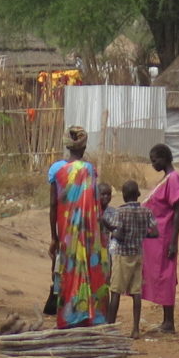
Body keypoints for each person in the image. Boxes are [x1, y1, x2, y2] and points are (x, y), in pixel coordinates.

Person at [48, 129, 110, 327]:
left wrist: (54, 236)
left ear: (67, 145)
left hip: (66, 232)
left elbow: (53, 205)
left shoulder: (56, 169)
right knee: (90, 267)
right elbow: (94, 205)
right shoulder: (90, 169)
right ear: (84, 146)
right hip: (88, 233)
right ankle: (91, 315)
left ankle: (69, 316)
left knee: (69, 268)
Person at [103, 179, 160, 334]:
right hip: (137, 254)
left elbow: (118, 233)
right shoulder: (146, 211)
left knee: (115, 291)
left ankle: (110, 328)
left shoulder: (120, 212)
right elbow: (155, 232)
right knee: (136, 292)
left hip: (122, 255)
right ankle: (135, 329)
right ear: (138, 194)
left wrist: (106, 225)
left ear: (123, 195)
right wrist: (140, 234)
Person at [142, 144, 179, 335]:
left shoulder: (174, 179)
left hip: (165, 235)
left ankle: (169, 322)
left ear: (165, 158)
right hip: (155, 237)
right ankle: (166, 320)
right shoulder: (166, 179)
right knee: (159, 275)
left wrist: (174, 241)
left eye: (155, 160)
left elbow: (177, 212)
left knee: (166, 276)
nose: (153, 164)